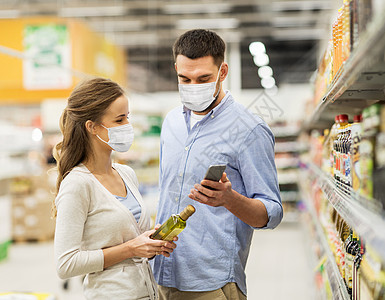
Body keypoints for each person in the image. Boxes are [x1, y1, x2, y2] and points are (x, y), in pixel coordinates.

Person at [153, 29, 283, 300]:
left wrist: (229, 199)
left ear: (223, 72)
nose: (192, 86)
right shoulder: (170, 123)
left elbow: (272, 212)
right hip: (161, 272)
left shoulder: (250, 130)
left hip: (211, 283)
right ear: (176, 68)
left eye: (203, 78)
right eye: (184, 78)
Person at [53, 77, 177, 300]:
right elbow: (66, 264)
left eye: (127, 118)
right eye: (119, 120)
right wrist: (132, 248)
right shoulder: (78, 184)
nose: (127, 127)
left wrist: (151, 242)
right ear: (92, 127)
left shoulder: (126, 174)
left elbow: (133, 241)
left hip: (147, 293)